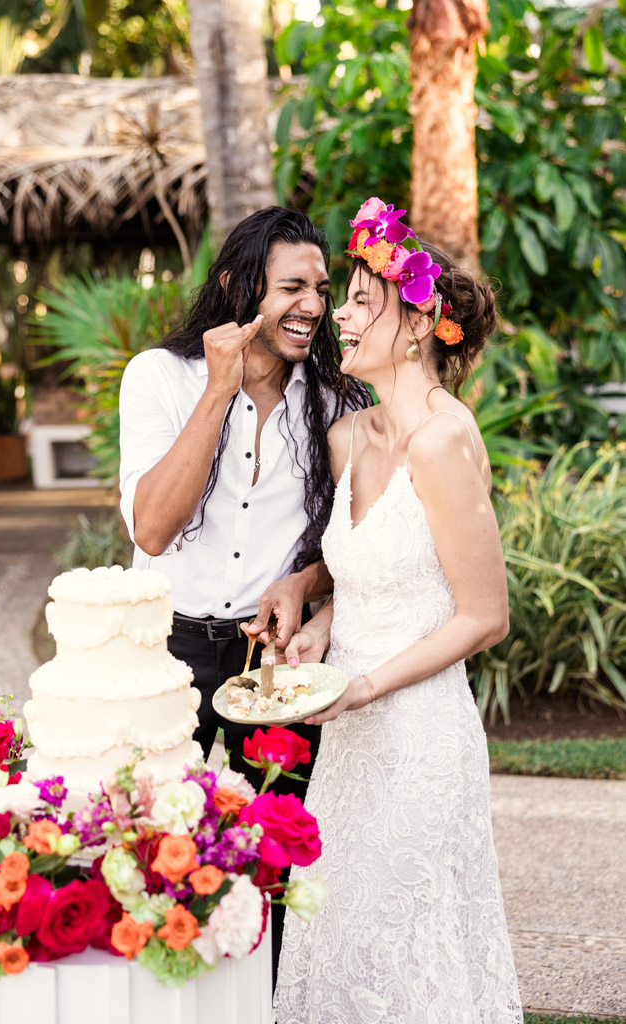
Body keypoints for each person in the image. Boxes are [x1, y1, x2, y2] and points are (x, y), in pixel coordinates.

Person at [273, 197, 523, 1023]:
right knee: (337, 933)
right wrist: (315, 633)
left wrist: (367, 686)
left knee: (405, 946)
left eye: (355, 301)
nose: (334, 315)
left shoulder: (442, 440)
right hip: (346, 732)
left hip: (414, 733)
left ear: (416, 324)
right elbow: (371, 582)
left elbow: (483, 615)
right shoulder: (353, 436)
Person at [118, 206, 368, 978]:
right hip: (168, 653)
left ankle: (262, 1004)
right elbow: (154, 528)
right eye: (291, 286)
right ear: (237, 285)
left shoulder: (337, 402)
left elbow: (359, 540)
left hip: (276, 667)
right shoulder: (160, 377)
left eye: (322, 290)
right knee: (159, 850)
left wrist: (306, 579)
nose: (313, 307)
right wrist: (218, 391)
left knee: (273, 863)